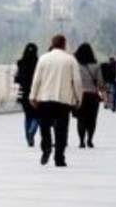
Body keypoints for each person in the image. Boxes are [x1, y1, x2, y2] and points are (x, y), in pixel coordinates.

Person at [29, 34, 83, 168]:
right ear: (64, 44)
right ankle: (59, 158)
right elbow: (77, 81)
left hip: (45, 99)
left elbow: (37, 80)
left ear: (52, 44)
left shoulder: (43, 58)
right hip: (64, 100)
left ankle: (46, 147)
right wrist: (79, 98)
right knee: (62, 129)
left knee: (45, 126)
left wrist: (32, 96)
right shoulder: (70, 60)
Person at [74, 42, 103, 149]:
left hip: (79, 96)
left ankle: (81, 141)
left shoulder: (75, 66)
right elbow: (100, 83)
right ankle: (90, 139)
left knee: (81, 119)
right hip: (92, 96)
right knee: (92, 119)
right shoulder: (96, 66)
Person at [15, 42, 40, 147]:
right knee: (37, 114)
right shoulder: (39, 63)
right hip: (36, 92)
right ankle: (32, 131)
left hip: (24, 93)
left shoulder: (20, 63)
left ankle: (28, 137)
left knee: (28, 115)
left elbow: (17, 79)